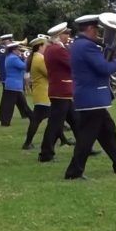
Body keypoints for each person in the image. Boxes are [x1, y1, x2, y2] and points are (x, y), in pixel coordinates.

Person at [64, 15, 116, 180]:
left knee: (108, 132)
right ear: (90, 29)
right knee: (86, 137)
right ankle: (74, 172)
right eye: (98, 30)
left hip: (91, 97)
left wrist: (114, 56)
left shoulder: (80, 44)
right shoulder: (87, 46)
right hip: (92, 97)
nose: (100, 34)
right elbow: (104, 69)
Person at [38, 23, 79, 162]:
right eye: (66, 34)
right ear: (59, 35)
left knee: (76, 121)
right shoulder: (58, 50)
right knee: (55, 124)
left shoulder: (51, 48)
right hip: (62, 90)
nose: (69, 36)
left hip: (61, 90)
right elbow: (73, 64)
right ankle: (46, 153)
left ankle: (84, 147)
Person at [22, 37, 49, 150]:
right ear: (41, 46)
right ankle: (27, 143)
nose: (47, 47)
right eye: (45, 45)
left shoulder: (36, 58)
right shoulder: (40, 59)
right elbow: (49, 73)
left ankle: (63, 139)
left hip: (41, 94)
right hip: (44, 94)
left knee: (52, 119)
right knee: (39, 120)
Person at [0, 42, 33, 126]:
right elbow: (25, 67)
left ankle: (33, 117)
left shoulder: (10, 57)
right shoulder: (14, 58)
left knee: (22, 104)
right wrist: (26, 58)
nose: (20, 51)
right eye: (18, 49)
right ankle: (5, 122)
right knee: (9, 105)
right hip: (14, 84)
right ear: (13, 50)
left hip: (12, 84)